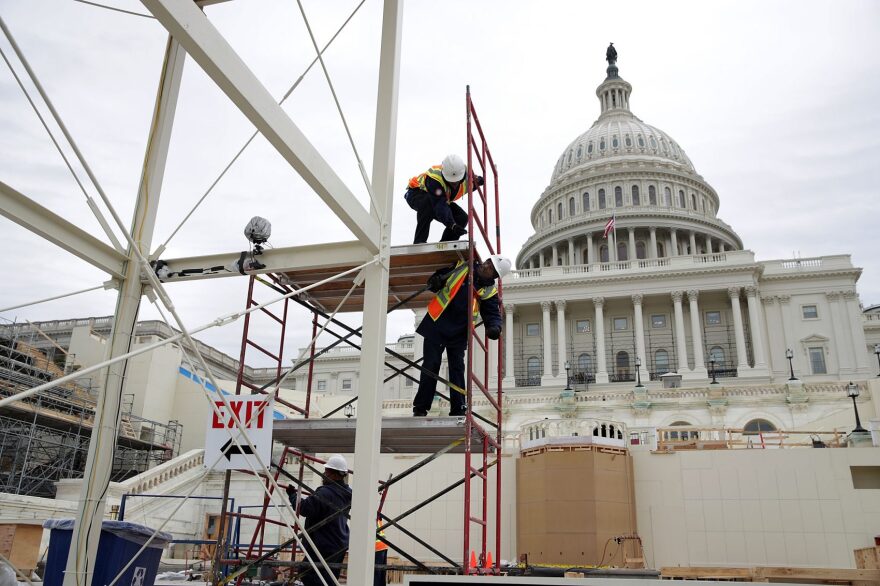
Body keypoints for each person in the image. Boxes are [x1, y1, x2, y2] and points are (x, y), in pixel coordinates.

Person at [412, 255, 511, 416]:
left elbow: (492, 312)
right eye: (487, 262)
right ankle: (421, 407)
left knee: (457, 369)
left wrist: (494, 327)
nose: (486, 266)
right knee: (431, 365)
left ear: (494, 276)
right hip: (437, 322)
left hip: (458, 331)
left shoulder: (488, 291)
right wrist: (435, 281)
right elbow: (439, 277)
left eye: (491, 267)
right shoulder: (463, 267)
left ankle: (458, 408)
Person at [287, 454, 352, 586]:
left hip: (322, 543)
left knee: (309, 574)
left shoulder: (325, 492)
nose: (324, 474)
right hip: (339, 542)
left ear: (333, 474)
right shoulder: (348, 493)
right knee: (329, 577)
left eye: (327, 471)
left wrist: (292, 495)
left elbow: (304, 508)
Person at [404, 154, 484, 244]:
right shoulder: (434, 179)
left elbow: (475, 182)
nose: (454, 185)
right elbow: (440, 206)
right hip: (416, 193)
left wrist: (480, 180)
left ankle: (445, 244)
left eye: (456, 182)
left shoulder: (467, 179)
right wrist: (452, 225)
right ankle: (419, 241)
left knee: (462, 218)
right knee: (428, 204)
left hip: (441, 199)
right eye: (451, 182)